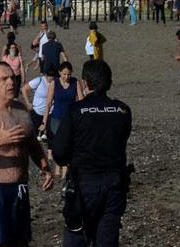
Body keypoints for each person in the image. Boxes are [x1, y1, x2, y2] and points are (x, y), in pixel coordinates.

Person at [0, 61, 53, 247]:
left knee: (21, 243)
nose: (11, 83)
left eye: (12, 78)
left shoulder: (21, 110)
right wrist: (0, 140)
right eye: (4, 79)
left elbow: (32, 143)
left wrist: (45, 167)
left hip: (20, 188)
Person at [53, 59, 132, 247]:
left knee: (76, 234)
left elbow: (59, 152)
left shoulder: (76, 110)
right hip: (114, 183)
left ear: (84, 83)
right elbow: (123, 140)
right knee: (107, 237)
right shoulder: (122, 110)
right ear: (109, 82)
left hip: (85, 183)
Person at [43, 62, 83, 179]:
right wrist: (44, 122)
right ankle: (57, 166)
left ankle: (65, 169)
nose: (67, 77)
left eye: (69, 74)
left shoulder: (75, 82)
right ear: (60, 73)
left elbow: (81, 101)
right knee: (57, 144)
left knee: (68, 143)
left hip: (70, 118)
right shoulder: (54, 83)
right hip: (56, 117)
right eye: (64, 74)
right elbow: (48, 103)